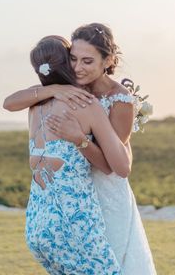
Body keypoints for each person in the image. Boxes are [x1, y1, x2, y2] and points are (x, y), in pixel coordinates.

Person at [4, 24, 156, 274]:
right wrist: (53, 89)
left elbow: (116, 165)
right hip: (73, 188)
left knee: (114, 259)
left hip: (105, 188)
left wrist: (79, 139)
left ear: (107, 60)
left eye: (87, 61)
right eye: (73, 59)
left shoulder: (119, 99)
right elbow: (10, 102)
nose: (77, 68)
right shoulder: (70, 90)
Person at [21, 35, 130, 274]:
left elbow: (8, 102)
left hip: (37, 225)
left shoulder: (34, 103)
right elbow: (120, 167)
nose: (78, 67)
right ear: (66, 63)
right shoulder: (86, 104)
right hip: (73, 223)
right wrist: (80, 139)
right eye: (73, 59)